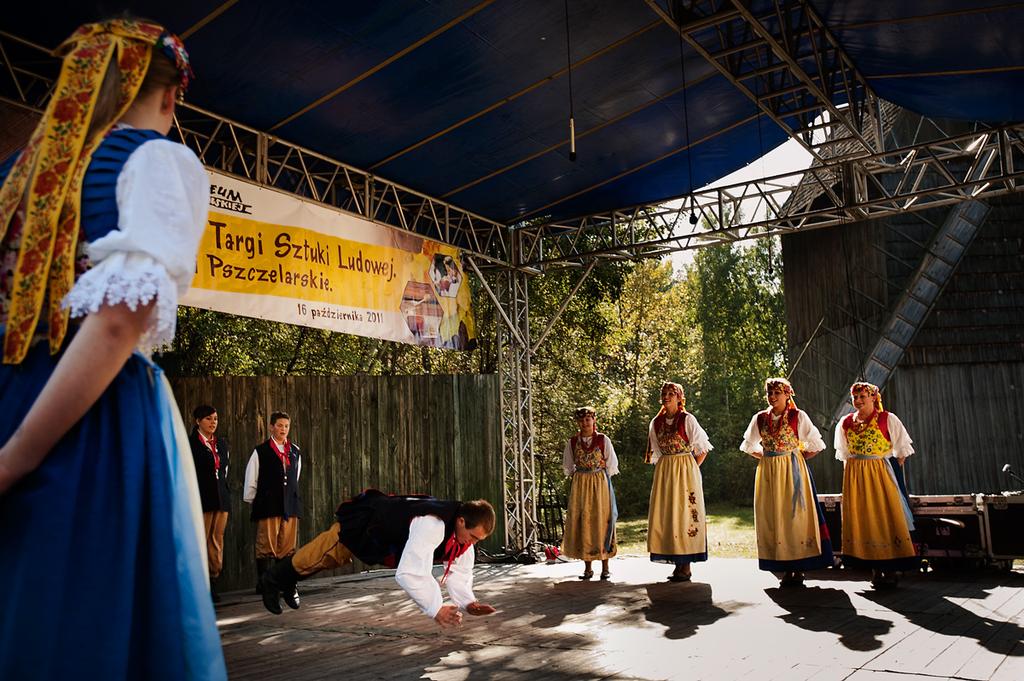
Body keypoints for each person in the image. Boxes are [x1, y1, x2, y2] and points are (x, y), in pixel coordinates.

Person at [0, 19, 225, 679]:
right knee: (90, 626)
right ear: (170, 98)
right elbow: (120, 320)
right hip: (90, 421)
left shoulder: (16, 178)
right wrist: (14, 459)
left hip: (12, 397)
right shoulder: (153, 157)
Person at [259, 489, 498, 628]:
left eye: (478, 540)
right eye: (473, 536)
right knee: (321, 554)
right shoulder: (433, 524)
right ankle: (273, 579)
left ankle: (287, 581)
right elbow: (411, 572)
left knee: (323, 560)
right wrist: (435, 608)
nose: (472, 544)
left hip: (382, 540)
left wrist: (469, 603)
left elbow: (461, 571)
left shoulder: (462, 539)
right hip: (365, 526)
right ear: (461, 521)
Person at [740, 378, 833, 586]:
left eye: (777, 393)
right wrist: (766, 457)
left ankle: (798, 567)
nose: (772, 397)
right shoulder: (760, 418)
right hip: (769, 472)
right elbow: (748, 445)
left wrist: (795, 458)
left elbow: (816, 444)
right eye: (769, 393)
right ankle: (782, 565)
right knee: (774, 516)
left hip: (792, 471)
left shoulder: (797, 416)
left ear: (787, 394)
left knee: (794, 517)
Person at [834, 381, 919, 588]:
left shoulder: (887, 419)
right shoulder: (845, 423)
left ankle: (889, 568)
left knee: (884, 516)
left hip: (881, 474)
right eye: (855, 397)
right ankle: (873, 568)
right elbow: (845, 454)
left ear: (873, 398)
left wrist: (888, 471)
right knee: (865, 519)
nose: (858, 400)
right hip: (856, 478)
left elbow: (901, 451)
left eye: (863, 396)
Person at [645, 381, 713, 582]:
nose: (667, 397)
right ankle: (676, 562)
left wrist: (691, 469)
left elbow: (702, 449)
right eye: (664, 393)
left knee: (685, 514)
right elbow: (656, 452)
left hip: (685, 468)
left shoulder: (687, 419)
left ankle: (686, 565)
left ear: (679, 397)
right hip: (665, 470)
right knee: (668, 514)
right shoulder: (655, 423)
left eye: (671, 394)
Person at [244, 410, 303, 598]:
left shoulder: (295, 451)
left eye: (286, 426)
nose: (283, 429)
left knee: (286, 547)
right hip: (268, 505)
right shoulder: (260, 451)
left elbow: (296, 477)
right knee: (266, 545)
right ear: (271, 427)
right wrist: (256, 501)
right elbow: (252, 479)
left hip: (290, 505)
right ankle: (264, 583)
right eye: (279, 425)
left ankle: (281, 582)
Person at [560, 405, 618, 580]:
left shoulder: (603, 440)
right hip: (581, 484)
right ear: (577, 422)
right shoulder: (572, 442)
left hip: (599, 483)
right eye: (581, 420)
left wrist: (601, 481)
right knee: (584, 522)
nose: (585, 423)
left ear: (594, 420)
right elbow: (568, 466)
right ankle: (587, 567)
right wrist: (578, 478)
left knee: (602, 521)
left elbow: (611, 464)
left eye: (588, 419)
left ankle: (605, 566)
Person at [189, 404, 231, 602]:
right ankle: (200, 584)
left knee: (216, 540)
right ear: (198, 421)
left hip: (221, 498)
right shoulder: (191, 444)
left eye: (215, 418)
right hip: (202, 498)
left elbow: (224, 471)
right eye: (208, 419)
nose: (213, 422)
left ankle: (213, 581)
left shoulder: (221, 443)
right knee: (200, 540)